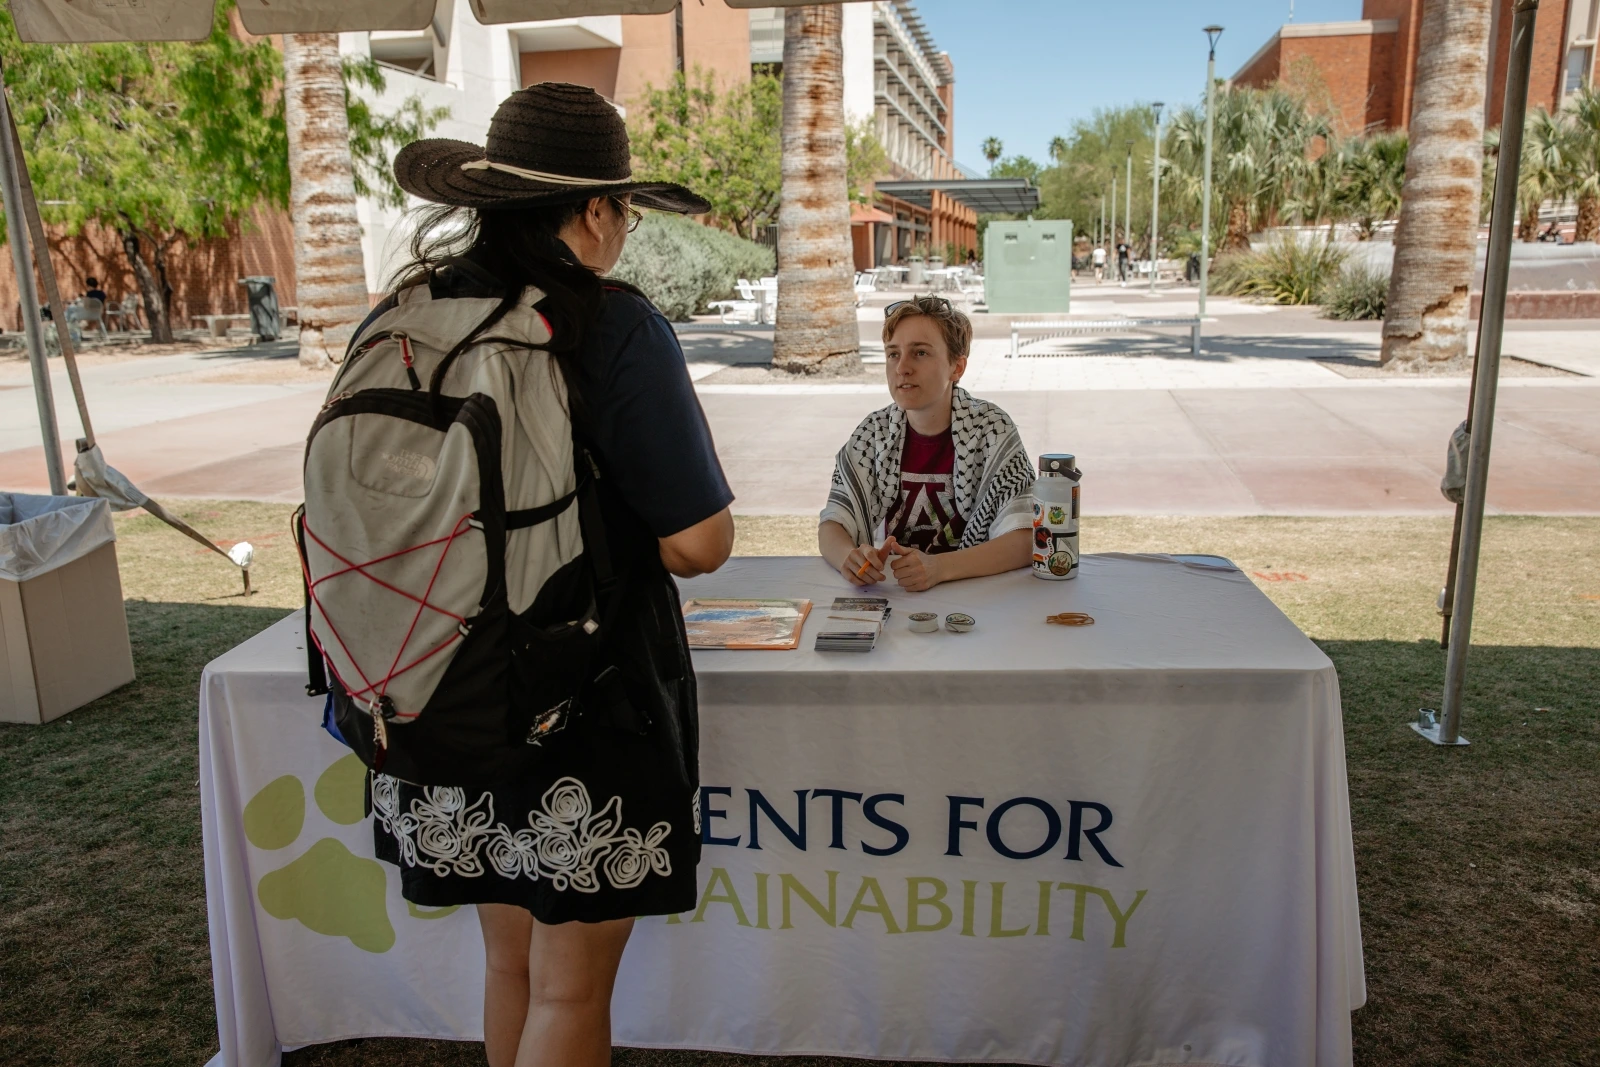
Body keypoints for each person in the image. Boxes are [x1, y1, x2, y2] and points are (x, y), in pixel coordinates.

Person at [369, 83, 734, 1067]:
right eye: (622, 207)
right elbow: (700, 542)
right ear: (593, 211)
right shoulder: (609, 323)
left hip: (432, 686)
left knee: (510, 966)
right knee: (570, 987)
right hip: (582, 698)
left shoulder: (414, 306)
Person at [818, 295, 1034, 592]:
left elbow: (1025, 539)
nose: (902, 368)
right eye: (893, 354)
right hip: (895, 596)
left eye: (919, 353)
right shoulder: (874, 433)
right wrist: (849, 558)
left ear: (956, 368)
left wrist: (939, 568)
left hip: (977, 599)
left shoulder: (991, 429)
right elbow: (833, 524)